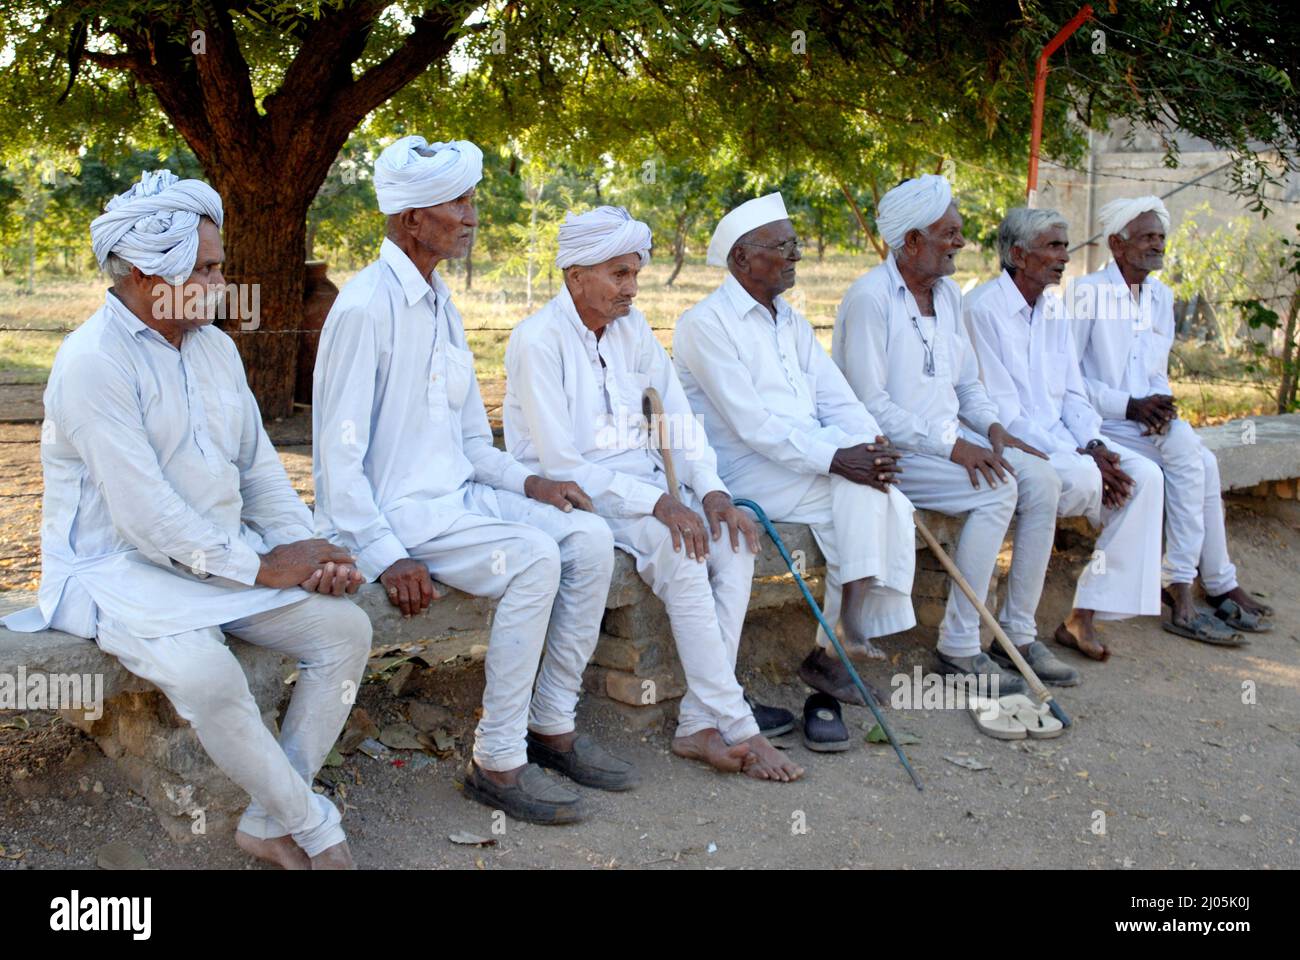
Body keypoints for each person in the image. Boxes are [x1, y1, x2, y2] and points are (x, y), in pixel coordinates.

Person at [2, 170, 370, 869]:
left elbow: (258, 469)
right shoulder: (91, 363)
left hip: (219, 559)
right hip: (114, 571)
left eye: (219, 265)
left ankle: (269, 817)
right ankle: (317, 829)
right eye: (206, 268)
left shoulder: (216, 348)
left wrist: (303, 548)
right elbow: (145, 518)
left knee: (345, 630)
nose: (223, 282)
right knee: (208, 675)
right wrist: (265, 566)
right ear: (146, 273)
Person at [312, 138, 635, 825]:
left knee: (586, 535)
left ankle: (551, 725)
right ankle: (496, 760)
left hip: (456, 501)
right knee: (534, 557)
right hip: (399, 517)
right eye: (457, 203)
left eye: (469, 200)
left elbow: (466, 442)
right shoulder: (367, 307)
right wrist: (383, 552)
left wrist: (530, 484)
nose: (471, 215)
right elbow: (336, 459)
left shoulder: (441, 305)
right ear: (410, 222)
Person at [503, 205, 804, 782]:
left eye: (635, 273)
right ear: (575, 276)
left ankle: (697, 721)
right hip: (573, 498)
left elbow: (677, 420)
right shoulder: (536, 340)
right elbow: (562, 463)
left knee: (734, 541)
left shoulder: (631, 327)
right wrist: (662, 504)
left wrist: (713, 492)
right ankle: (740, 726)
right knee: (685, 553)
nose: (633, 288)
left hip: (644, 488)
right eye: (620, 275)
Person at [673, 192, 917, 750]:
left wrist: (868, 444)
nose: (797, 256)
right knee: (867, 495)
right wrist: (839, 459)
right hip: (742, 472)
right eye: (783, 247)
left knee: (882, 495)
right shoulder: (704, 324)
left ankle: (837, 649)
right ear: (741, 258)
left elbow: (837, 397)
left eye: (795, 245)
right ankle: (838, 649)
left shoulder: (792, 321)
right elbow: (753, 424)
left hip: (806, 457)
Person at [833, 175, 1074, 691]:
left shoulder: (949, 296)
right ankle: (959, 648)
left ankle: (1018, 634)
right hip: (889, 452)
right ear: (913, 241)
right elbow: (868, 403)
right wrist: (953, 446)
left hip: (948, 443)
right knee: (998, 490)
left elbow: (967, 383)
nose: (962, 243)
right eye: (950, 233)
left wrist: (992, 430)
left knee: (1042, 479)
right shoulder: (869, 299)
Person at [965, 207, 1165, 664]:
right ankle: (1016, 631)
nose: (1065, 256)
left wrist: (1095, 445)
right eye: (1054, 246)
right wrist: (1082, 455)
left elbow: (1074, 394)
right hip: (1015, 444)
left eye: (1065, 245)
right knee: (1076, 479)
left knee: (1148, 478)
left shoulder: (1053, 307)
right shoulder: (982, 310)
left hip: (1068, 443)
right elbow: (1003, 413)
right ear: (1018, 254)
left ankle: (1083, 613)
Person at [1070, 196, 1268, 645]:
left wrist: (1162, 407)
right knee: (1188, 454)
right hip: (1099, 423)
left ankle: (1215, 581)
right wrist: (1130, 405)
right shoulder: (1088, 293)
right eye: (1148, 237)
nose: (1158, 244)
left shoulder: (1161, 296)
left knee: (1204, 462)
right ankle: (1181, 589)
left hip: (1144, 424)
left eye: (1161, 236)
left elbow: (1157, 372)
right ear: (1118, 245)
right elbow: (1069, 381)